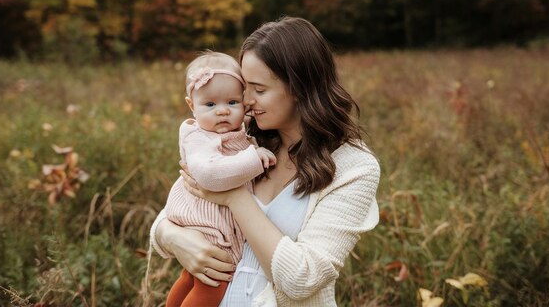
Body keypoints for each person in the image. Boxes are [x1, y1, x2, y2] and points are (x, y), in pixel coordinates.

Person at [149, 17, 380, 306]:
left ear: (300, 88)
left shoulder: (354, 167)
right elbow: (183, 201)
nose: (245, 101)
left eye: (258, 90)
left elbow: (302, 279)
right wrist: (172, 237)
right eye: (244, 88)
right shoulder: (242, 137)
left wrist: (234, 198)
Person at [156, 51, 277, 307]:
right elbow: (209, 175)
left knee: (191, 279)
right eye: (210, 105)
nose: (222, 112)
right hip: (208, 229)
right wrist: (254, 159)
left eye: (232, 102)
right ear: (191, 105)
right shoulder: (198, 137)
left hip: (211, 227)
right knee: (213, 285)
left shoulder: (235, 130)